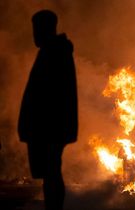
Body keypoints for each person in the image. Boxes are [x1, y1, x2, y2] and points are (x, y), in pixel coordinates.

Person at [18, 10, 78, 210]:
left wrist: (34, 124)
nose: (34, 34)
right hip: (49, 126)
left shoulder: (55, 53)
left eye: (37, 29)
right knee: (50, 172)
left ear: (46, 29)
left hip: (50, 126)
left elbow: (49, 95)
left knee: (51, 172)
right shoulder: (53, 51)